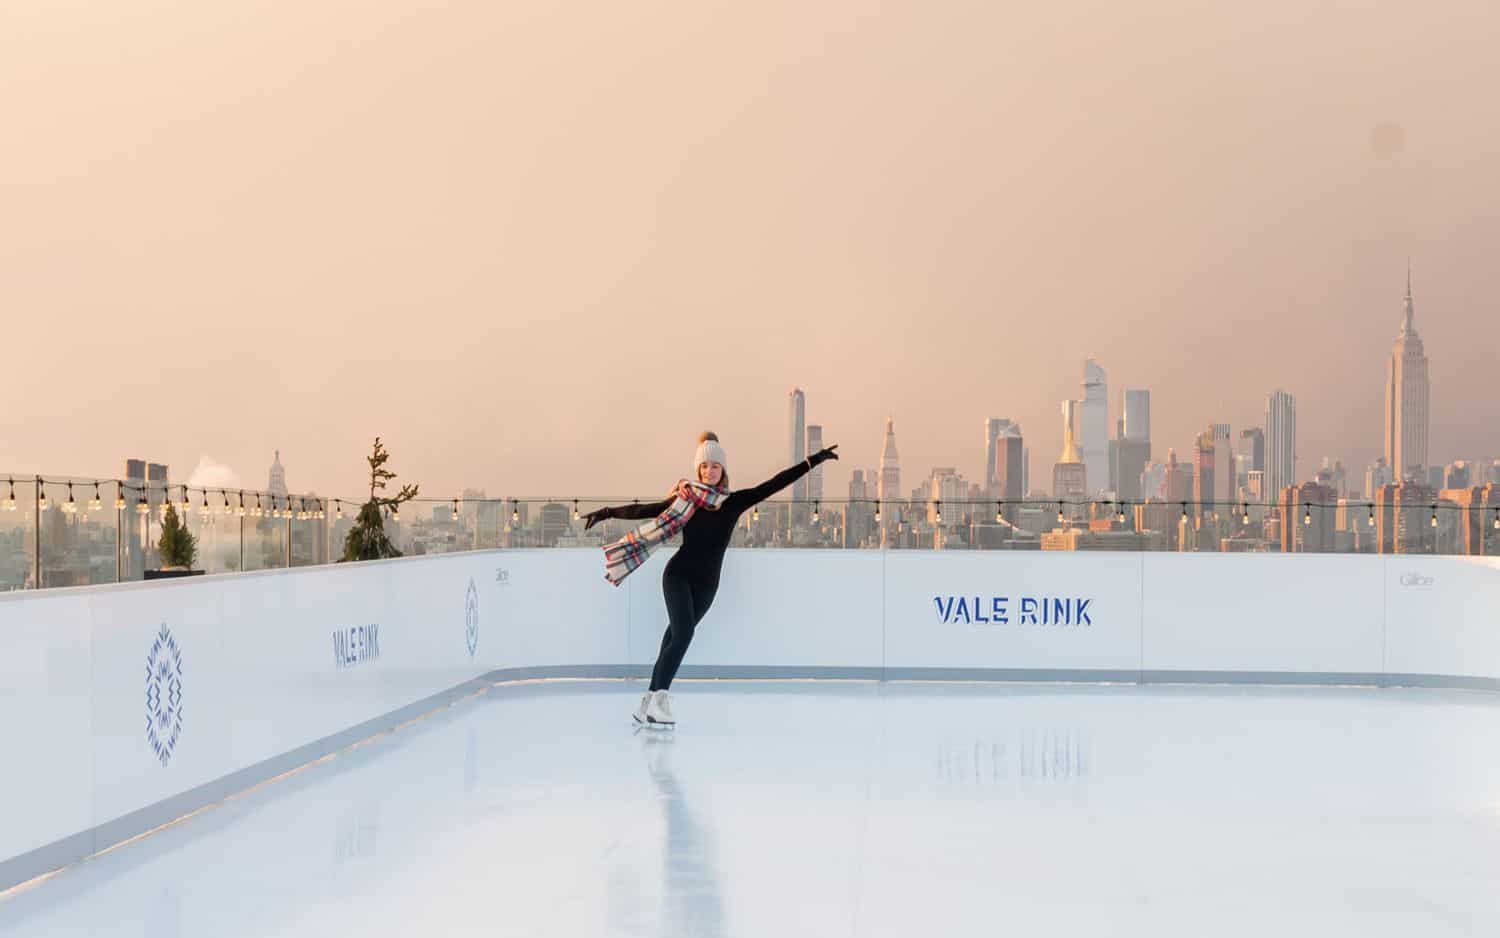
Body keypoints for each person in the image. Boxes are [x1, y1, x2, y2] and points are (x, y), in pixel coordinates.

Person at [584, 431, 838, 726]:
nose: (709, 471)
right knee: (683, 634)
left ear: (723, 470)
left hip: (707, 585)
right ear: (699, 471)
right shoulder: (686, 500)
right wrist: (606, 512)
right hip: (678, 575)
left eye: (714, 466)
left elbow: (774, 483)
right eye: (704, 467)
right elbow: (645, 509)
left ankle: (648, 702)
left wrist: (813, 460)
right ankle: (660, 700)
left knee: (673, 638)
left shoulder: (734, 502)